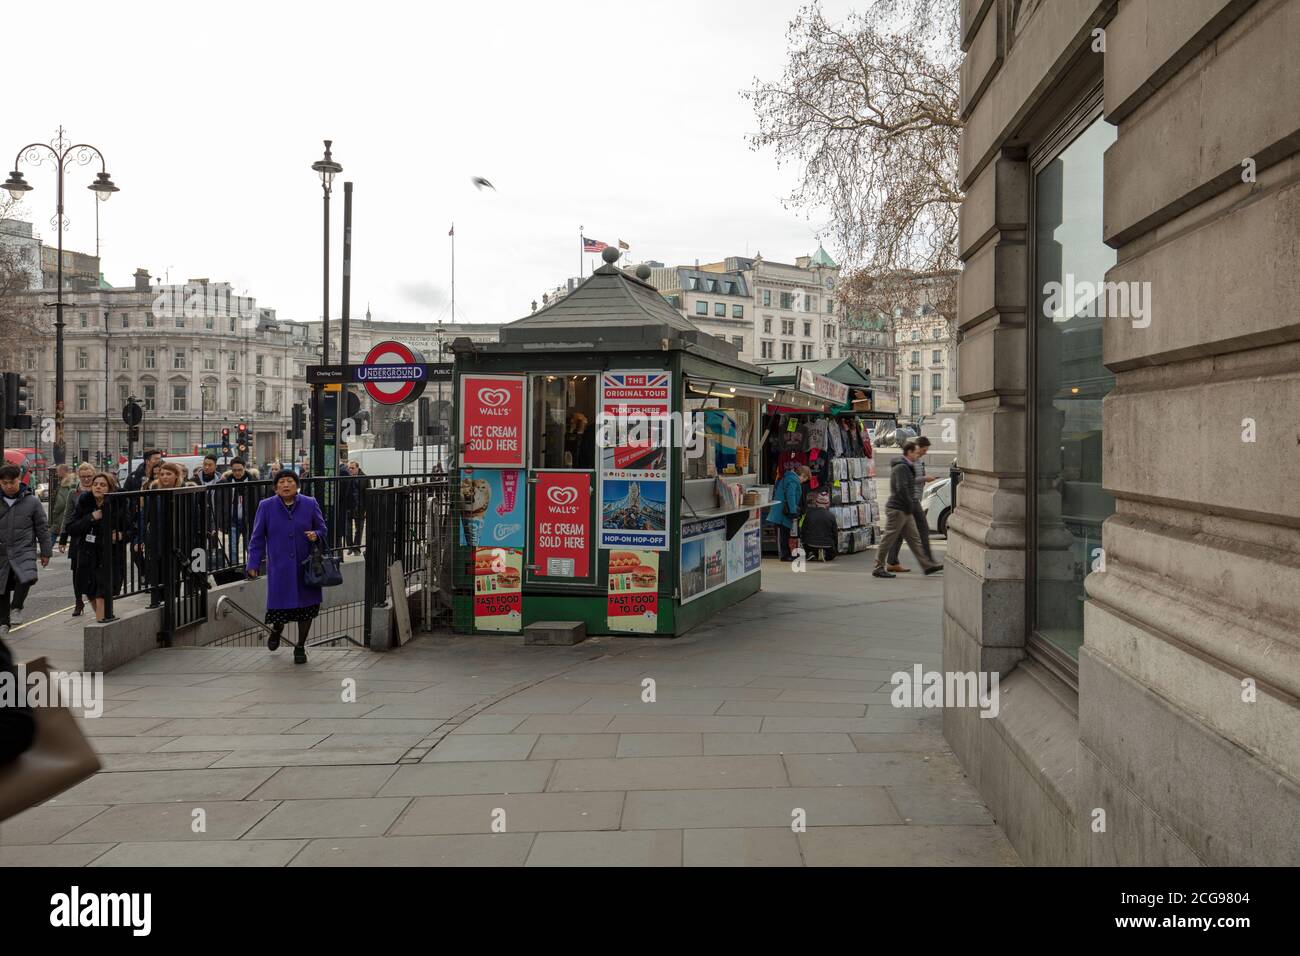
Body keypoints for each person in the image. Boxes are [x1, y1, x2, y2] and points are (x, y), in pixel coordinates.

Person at [246, 469, 328, 665]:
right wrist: (253, 563)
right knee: (280, 608)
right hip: (280, 568)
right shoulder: (266, 506)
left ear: (297, 485)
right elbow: (257, 538)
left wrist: (316, 534)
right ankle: (276, 629)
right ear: (275, 487)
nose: (285, 485)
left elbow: (323, 529)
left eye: (290, 481)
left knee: (307, 609)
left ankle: (300, 646)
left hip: (306, 567)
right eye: (281, 482)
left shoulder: (310, 503)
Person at [65, 473, 129, 621]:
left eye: (102, 484)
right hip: (87, 555)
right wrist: (91, 517)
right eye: (96, 484)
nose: (98, 487)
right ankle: (102, 621)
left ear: (110, 488)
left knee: (102, 595)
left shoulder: (119, 503)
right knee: (91, 594)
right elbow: (71, 528)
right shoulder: (85, 502)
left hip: (109, 556)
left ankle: (101, 625)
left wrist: (121, 535)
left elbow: (131, 528)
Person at [873, 441, 942, 578]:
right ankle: (878, 567)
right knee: (888, 539)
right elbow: (901, 488)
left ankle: (927, 566)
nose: (918, 455)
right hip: (898, 509)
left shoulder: (906, 466)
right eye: (916, 453)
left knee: (914, 539)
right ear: (909, 453)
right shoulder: (901, 468)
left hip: (905, 509)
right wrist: (909, 505)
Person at [0, 465, 52, 634]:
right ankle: (3, 622)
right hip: (2, 551)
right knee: (2, 586)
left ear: (19, 479)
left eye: (12, 482)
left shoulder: (32, 501)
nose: (9, 486)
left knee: (27, 577)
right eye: (4, 483)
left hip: (24, 548)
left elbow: (42, 528)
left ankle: (16, 607)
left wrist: (45, 552)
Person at [886, 434, 938, 572]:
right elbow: (908, 480)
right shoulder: (911, 460)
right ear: (917, 448)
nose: (925, 452)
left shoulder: (919, 461)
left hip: (914, 499)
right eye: (924, 450)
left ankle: (891, 561)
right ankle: (929, 561)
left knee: (899, 532)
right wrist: (924, 478)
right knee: (923, 529)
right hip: (911, 499)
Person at [59, 463, 97, 615]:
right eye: (83, 477)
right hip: (77, 537)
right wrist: (63, 538)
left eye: (89, 476)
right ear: (79, 477)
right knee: (77, 571)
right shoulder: (73, 493)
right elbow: (67, 516)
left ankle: (95, 598)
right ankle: (78, 601)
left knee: (94, 570)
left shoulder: (99, 490)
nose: (86, 479)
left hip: (95, 536)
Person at [765, 463, 810, 561]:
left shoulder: (789, 478)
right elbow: (791, 496)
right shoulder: (793, 480)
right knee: (784, 533)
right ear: (802, 475)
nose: (803, 481)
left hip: (782, 510)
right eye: (804, 479)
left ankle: (787, 554)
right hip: (783, 511)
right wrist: (793, 511)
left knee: (785, 533)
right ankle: (785, 555)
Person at [218, 457, 257, 564]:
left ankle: (252, 568)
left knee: (250, 547)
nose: (237, 473)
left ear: (245, 468)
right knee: (233, 548)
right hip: (233, 520)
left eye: (240, 470)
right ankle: (236, 569)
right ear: (231, 469)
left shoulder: (253, 482)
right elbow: (220, 504)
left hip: (249, 520)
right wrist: (221, 521)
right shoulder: (225, 482)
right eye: (234, 470)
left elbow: (260, 501)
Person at [800, 488, 838, 562]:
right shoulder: (831, 516)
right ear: (827, 504)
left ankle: (811, 553)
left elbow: (803, 530)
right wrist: (835, 547)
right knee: (831, 555)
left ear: (816, 503)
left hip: (811, 543)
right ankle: (825, 554)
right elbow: (835, 533)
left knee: (809, 545)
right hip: (827, 544)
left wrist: (803, 541)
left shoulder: (809, 514)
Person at [341, 460, 368, 554]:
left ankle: (356, 548)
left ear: (357, 468)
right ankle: (350, 547)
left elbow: (367, 494)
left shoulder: (364, 478)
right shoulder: (346, 477)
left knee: (359, 529)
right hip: (348, 507)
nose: (350, 470)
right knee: (347, 529)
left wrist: (367, 508)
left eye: (352, 468)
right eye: (349, 468)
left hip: (360, 507)